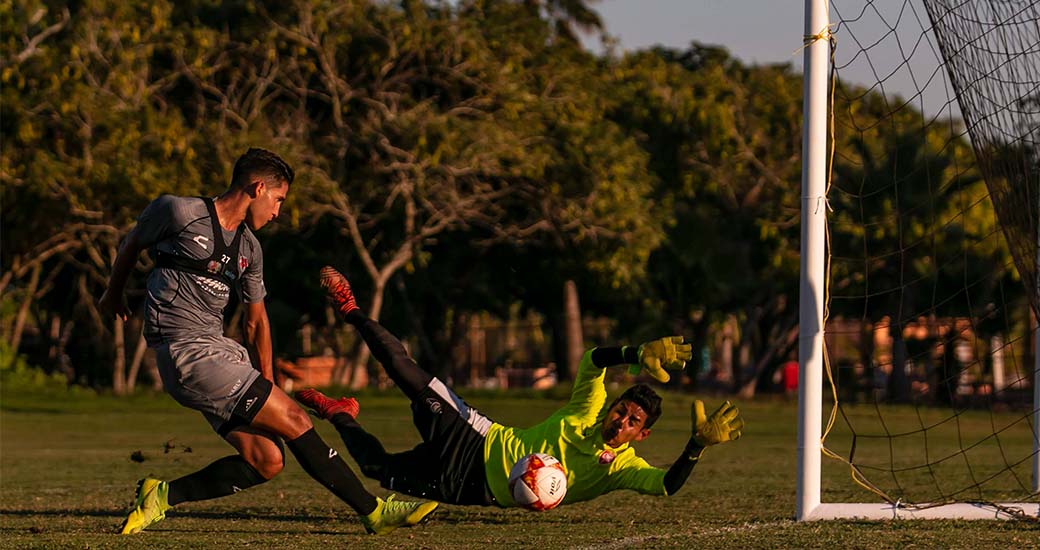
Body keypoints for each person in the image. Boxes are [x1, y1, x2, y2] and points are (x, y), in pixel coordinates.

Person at [98, 148, 437, 535]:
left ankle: (161, 496)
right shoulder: (179, 212)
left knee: (267, 460)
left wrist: (269, 381)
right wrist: (113, 293)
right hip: (184, 352)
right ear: (258, 188)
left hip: (220, 353)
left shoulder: (249, 250)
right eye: (278, 200)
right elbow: (132, 242)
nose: (277, 212)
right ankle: (374, 510)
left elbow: (257, 322)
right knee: (294, 418)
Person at [295, 266, 744, 508]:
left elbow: (667, 486)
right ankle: (351, 309)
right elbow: (591, 361)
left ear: (641, 434)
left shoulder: (620, 468)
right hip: (474, 435)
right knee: (401, 367)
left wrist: (695, 448)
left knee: (376, 469)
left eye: (633, 421)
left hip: (471, 490)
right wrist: (632, 353)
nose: (620, 419)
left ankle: (338, 413)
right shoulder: (590, 409)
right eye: (622, 408)